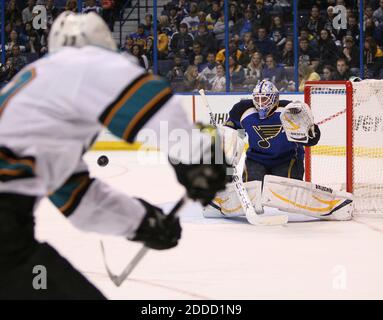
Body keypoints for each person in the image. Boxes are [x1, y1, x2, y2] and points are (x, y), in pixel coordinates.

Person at [0, 12, 230, 299]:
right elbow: (147, 99)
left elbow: (78, 199)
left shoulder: (39, 92)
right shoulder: (83, 61)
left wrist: (142, 221)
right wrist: (196, 157)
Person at [224, 80, 321, 183]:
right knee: (253, 193)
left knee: (285, 193)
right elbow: (231, 134)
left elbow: (311, 139)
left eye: (265, 99)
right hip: (256, 159)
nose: (260, 103)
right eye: (257, 99)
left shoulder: (289, 111)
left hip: (287, 159)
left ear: (274, 98)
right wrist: (225, 163)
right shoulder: (242, 111)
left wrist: (310, 134)